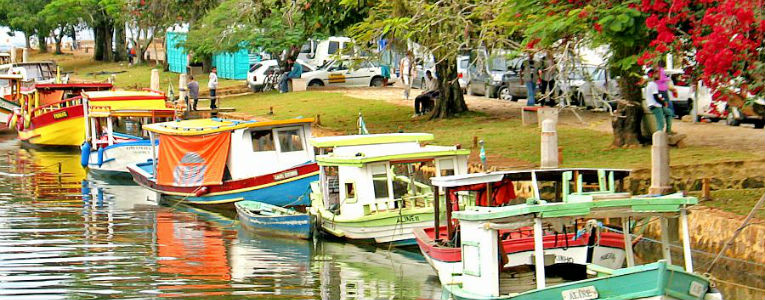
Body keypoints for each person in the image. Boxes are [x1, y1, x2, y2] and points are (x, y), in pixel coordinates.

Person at [645, 69, 672, 133]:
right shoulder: (653, 84)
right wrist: (663, 103)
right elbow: (656, 97)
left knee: (669, 113)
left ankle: (668, 131)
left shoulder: (651, 84)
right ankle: (659, 138)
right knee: (661, 123)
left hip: (656, 104)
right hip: (655, 105)